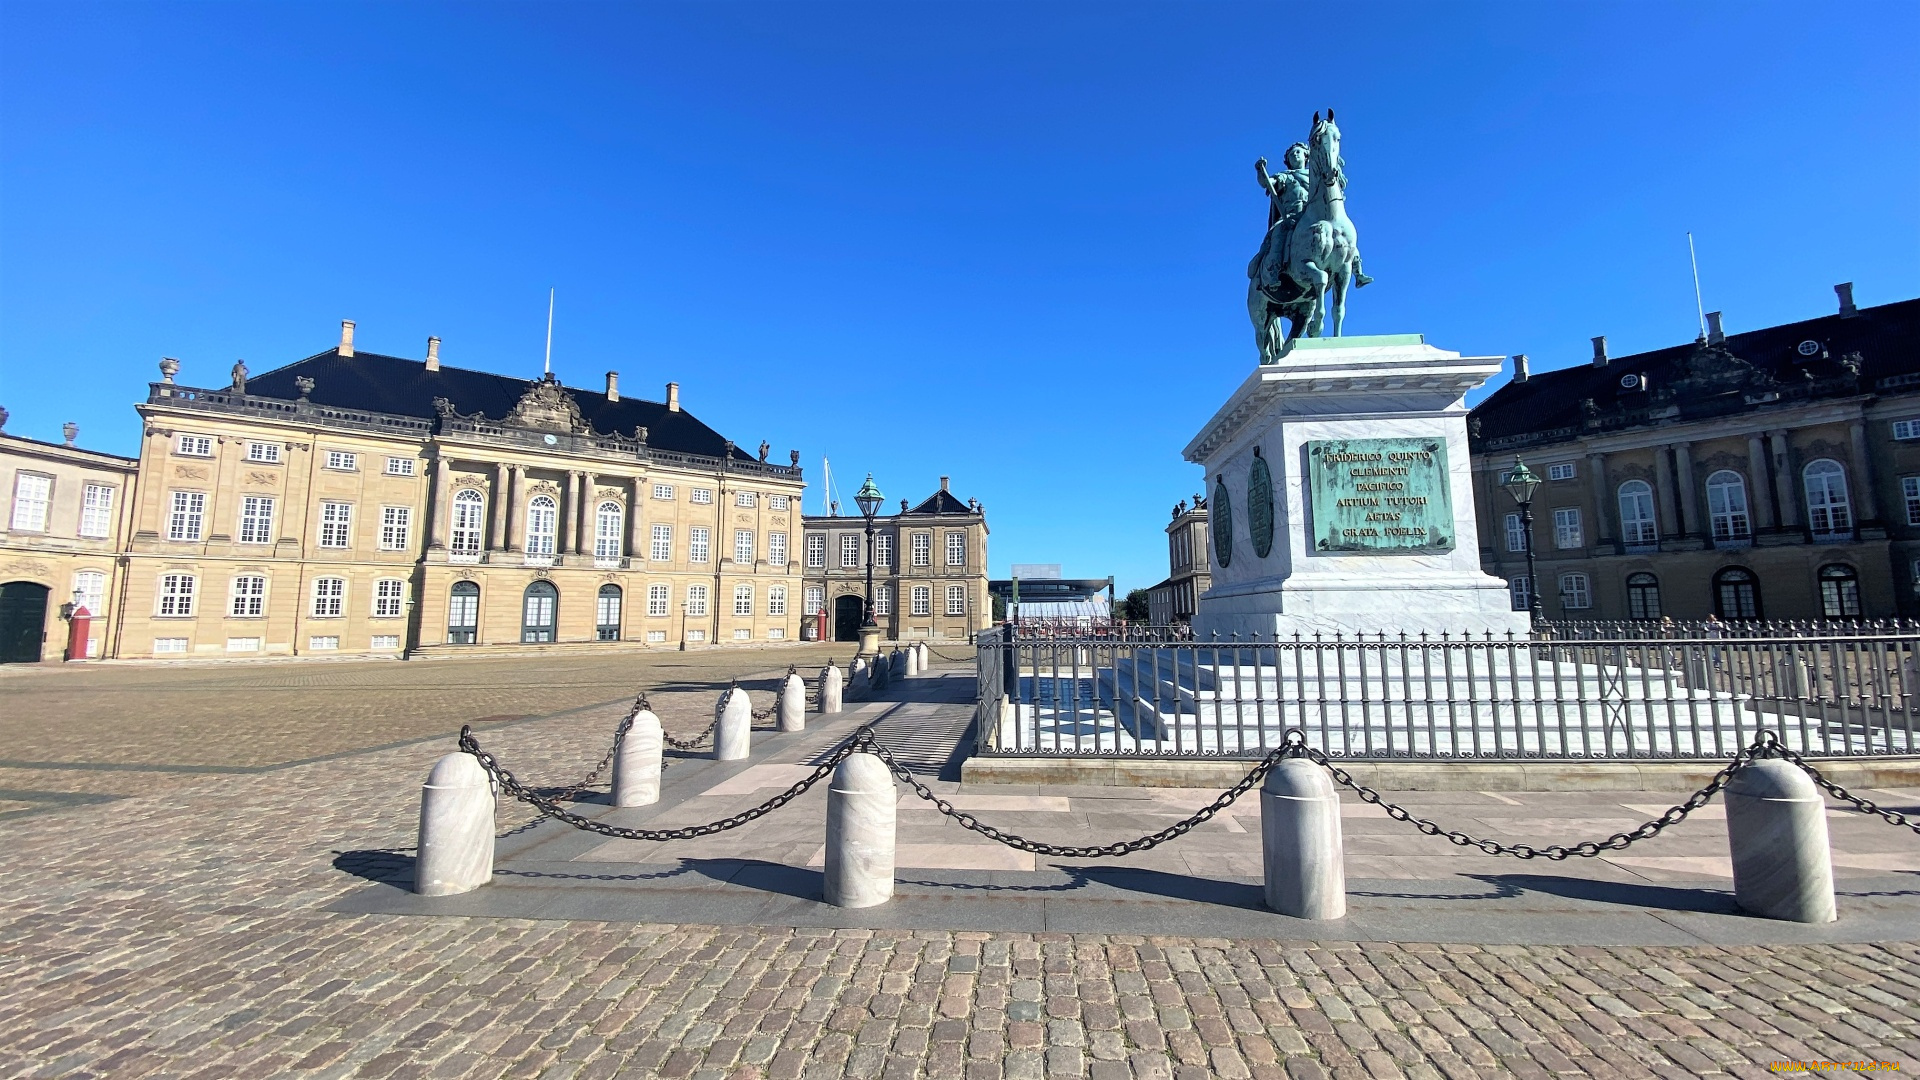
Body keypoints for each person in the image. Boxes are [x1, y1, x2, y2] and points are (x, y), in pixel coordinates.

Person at [1249, 143, 1311, 292]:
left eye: (1298, 152)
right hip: (1290, 215)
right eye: (1291, 154)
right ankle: (1273, 272)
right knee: (1279, 234)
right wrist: (1260, 172)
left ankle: (1354, 265)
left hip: (1310, 214)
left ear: (1306, 156)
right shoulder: (1285, 176)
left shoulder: (1314, 175)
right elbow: (1267, 183)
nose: (1295, 155)